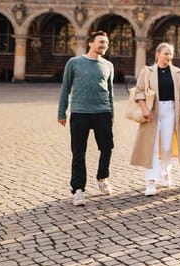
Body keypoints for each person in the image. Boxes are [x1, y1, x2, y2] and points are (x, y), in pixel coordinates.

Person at [57, 31, 115, 206]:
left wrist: (112, 112)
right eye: (101, 42)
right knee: (78, 152)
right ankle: (78, 190)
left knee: (107, 148)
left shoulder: (108, 65)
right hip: (80, 113)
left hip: (102, 112)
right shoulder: (74, 63)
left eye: (106, 43)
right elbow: (65, 89)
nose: (104, 45)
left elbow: (110, 91)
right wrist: (62, 112)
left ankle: (102, 177)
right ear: (90, 43)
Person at [129, 43, 180, 196]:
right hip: (153, 111)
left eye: (170, 54)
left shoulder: (178, 73)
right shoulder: (147, 71)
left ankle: (165, 171)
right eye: (165, 53)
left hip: (171, 111)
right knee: (152, 147)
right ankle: (150, 182)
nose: (168, 57)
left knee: (167, 147)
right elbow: (139, 92)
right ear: (157, 54)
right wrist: (144, 109)